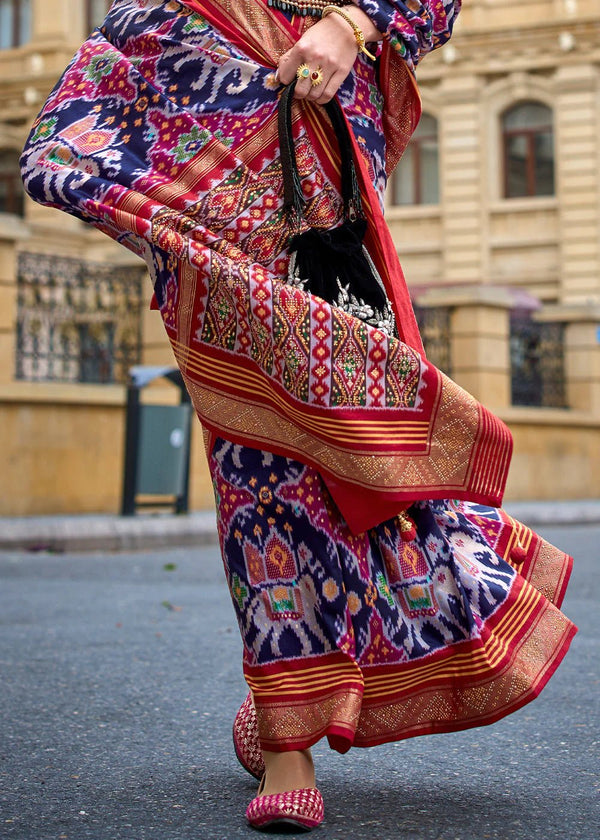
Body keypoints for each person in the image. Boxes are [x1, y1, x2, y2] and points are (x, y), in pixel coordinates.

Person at [21, 0, 577, 832]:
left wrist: (353, 25)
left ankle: (292, 694)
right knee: (258, 467)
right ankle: (289, 737)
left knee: (354, 449)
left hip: (317, 166)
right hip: (197, 159)